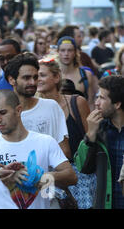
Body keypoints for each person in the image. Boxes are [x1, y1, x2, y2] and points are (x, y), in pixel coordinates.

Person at [0, 89, 77, 209]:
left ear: (18, 110)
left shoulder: (45, 142)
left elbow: (71, 176)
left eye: (2, 113)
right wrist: (4, 177)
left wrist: (42, 177)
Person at [0, 53, 71, 159]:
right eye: (26, 78)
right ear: (11, 80)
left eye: (35, 77)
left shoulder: (51, 107)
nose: (33, 82)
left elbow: (64, 152)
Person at [37, 57, 96, 208]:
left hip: (80, 176)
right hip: (48, 176)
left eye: (42, 75)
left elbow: (90, 143)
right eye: (34, 76)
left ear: (56, 77)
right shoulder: (33, 110)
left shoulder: (77, 103)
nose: (37, 80)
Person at [74, 75, 124, 209]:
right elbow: (83, 167)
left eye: (102, 98)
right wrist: (90, 135)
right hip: (107, 204)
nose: (96, 103)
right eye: (97, 97)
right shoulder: (99, 130)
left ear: (117, 104)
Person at [57, 36, 96, 109]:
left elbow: (90, 103)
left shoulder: (86, 74)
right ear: (58, 52)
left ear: (75, 52)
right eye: (62, 50)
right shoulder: (52, 75)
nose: (66, 54)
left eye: (70, 50)